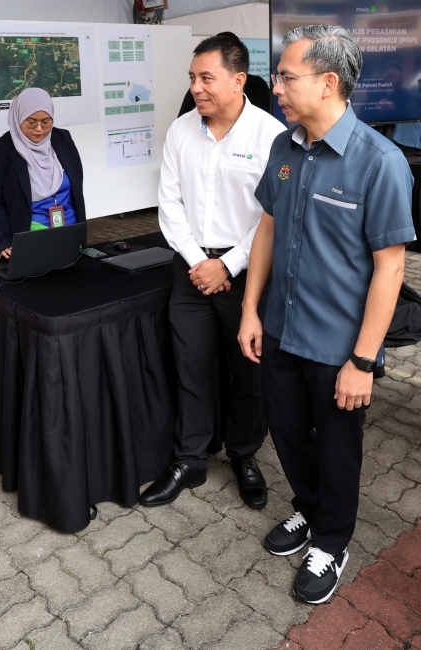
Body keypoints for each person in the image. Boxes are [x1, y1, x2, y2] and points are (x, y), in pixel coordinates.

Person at [238, 25, 415, 604]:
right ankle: (310, 511)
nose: (277, 88)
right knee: (288, 436)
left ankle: (332, 539)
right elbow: (266, 228)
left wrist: (363, 360)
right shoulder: (283, 147)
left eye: (287, 77)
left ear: (329, 82)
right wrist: (250, 311)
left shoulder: (380, 163)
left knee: (338, 449)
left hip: (340, 346)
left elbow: (390, 269)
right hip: (281, 329)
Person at [142, 33, 286, 509]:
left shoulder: (270, 136)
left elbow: (271, 217)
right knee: (190, 367)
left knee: (248, 371)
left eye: (207, 78)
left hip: (247, 270)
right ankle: (190, 460)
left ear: (238, 79)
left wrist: (226, 264)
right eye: (192, 78)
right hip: (190, 266)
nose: (196, 88)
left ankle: (245, 455)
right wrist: (198, 262)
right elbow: (169, 204)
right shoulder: (181, 130)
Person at [0, 87, 86, 261]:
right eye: (31, 122)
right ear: (18, 117)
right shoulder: (1, 150)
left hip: (71, 233)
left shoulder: (62, 140)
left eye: (46, 122)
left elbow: (77, 183)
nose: (39, 129)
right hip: (29, 241)